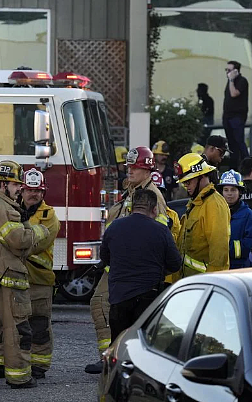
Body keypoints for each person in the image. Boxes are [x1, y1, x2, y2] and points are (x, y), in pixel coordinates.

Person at [85, 147, 168, 375]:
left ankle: (111, 359)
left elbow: (158, 231)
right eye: (128, 166)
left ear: (147, 169)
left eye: (135, 167)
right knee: (103, 307)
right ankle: (112, 357)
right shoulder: (131, 192)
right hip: (117, 263)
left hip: (130, 267)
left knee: (102, 305)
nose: (129, 170)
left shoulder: (152, 196)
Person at [0, 161, 49, 389]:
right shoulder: (5, 208)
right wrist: (38, 230)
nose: (19, 189)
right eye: (15, 185)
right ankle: (19, 377)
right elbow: (18, 240)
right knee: (17, 329)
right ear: (3, 184)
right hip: (8, 278)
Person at [0, 168, 60, 380]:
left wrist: (15, 243)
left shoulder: (50, 216)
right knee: (11, 324)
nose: (35, 195)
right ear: (22, 190)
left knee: (39, 325)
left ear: (44, 192)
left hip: (39, 280)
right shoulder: (11, 208)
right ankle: (3, 362)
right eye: (30, 190)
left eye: (39, 191)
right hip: (15, 277)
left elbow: (35, 245)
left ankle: (40, 365)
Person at [103, 189, 182, 342]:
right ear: (154, 209)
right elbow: (175, 264)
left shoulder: (113, 227)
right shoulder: (162, 231)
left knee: (119, 345)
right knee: (144, 347)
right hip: (148, 300)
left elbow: (105, 257)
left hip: (119, 297)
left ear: (132, 207)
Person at [175, 153, 230, 277]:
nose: (186, 186)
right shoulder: (196, 203)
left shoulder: (214, 205)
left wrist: (212, 285)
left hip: (203, 285)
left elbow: (219, 254)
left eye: (188, 182)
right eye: (184, 183)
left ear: (202, 176)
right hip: (190, 283)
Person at [219, 170, 252, 269]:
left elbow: (250, 244)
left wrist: (223, 248)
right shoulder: (215, 213)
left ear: (240, 192)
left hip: (240, 268)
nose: (229, 194)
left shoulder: (249, 216)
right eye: (226, 190)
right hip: (218, 266)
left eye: (233, 190)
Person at [223, 60, 250, 169]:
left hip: (237, 117)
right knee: (231, 143)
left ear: (236, 71)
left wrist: (231, 80)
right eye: (226, 70)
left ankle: (248, 165)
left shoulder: (241, 81)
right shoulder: (230, 82)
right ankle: (233, 166)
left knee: (239, 141)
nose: (227, 72)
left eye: (229, 70)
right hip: (228, 116)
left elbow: (234, 93)